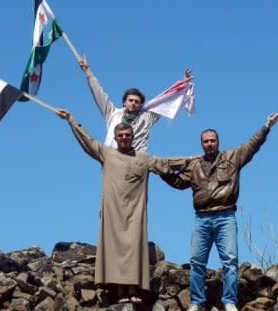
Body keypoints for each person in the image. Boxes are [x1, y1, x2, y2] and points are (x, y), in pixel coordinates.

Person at [56, 108, 191, 304]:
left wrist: (190, 159)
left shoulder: (143, 158)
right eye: (121, 135)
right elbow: (87, 141)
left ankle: (133, 290)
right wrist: (71, 120)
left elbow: (165, 162)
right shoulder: (106, 154)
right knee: (114, 250)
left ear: (133, 137)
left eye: (128, 135)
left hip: (135, 212)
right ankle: (119, 292)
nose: (124, 138)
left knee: (134, 250)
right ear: (115, 137)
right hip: (112, 211)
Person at [161, 114, 278, 311]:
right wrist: (161, 171)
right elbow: (178, 182)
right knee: (197, 262)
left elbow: (252, 145)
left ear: (218, 142)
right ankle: (197, 302)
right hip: (201, 218)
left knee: (230, 261)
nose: (209, 144)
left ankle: (229, 301)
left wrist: (266, 127)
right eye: (205, 141)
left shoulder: (232, 157)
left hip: (226, 216)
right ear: (201, 144)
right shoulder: (194, 165)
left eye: (212, 140)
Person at [78, 57, 192, 152]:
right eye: (130, 100)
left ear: (141, 105)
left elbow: (164, 100)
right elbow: (99, 94)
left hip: (135, 161)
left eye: (137, 102)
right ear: (124, 102)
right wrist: (88, 72)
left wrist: (182, 84)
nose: (133, 103)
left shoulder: (147, 117)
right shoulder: (113, 114)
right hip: (113, 159)